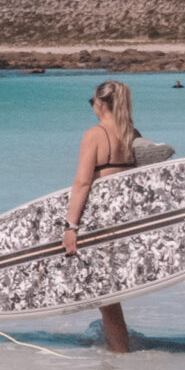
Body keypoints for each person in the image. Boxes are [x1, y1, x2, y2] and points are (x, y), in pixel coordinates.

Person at [59, 79, 143, 354]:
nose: (92, 107)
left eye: (91, 102)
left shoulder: (95, 134)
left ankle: (121, 356)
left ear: (100, 103)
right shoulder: (132, 132)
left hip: (100, 222)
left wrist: (71, 226)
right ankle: (118, 351)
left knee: (106, 295)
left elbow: (83, 182)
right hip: (125, 219)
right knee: (109, 292)